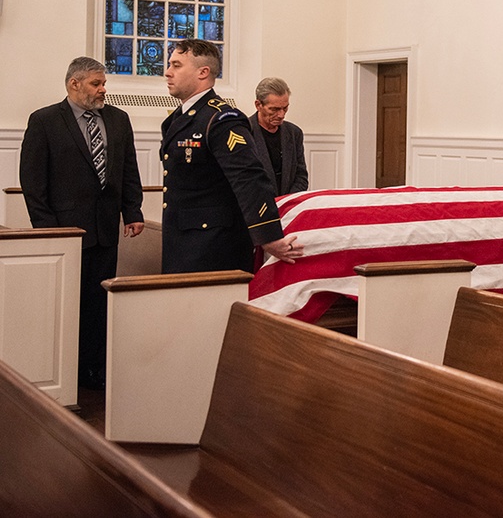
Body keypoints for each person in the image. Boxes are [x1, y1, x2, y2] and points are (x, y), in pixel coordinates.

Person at [20, 57, 144, 390]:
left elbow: (128, 169)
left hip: (105, 229)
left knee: (99, 301)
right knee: (68, 304)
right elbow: (33, 181)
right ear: (74, 83)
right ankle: (67, 371)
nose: (103, 90)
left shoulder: (118, 119)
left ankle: (96, 369)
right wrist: (49, 231)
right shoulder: (45, 120)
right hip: (65, 231)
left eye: (103, 83)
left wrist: (133, 211)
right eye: (96, 83)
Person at [161, 39, 303, 274]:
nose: (168, 73)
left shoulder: (221, 120)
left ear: (203, 72)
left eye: (176, 65)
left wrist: (268, 236)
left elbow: (248, 179)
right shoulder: (178, 119)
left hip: (212, 247)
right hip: (182, 240)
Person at [249, 77, 309, 195]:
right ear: (258, 105)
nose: (281, 115)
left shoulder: (294, 133)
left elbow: (301, 176)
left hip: (288, 206)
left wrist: (287, 201)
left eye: (285, 108)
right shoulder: (245, 132)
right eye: (274, 109)